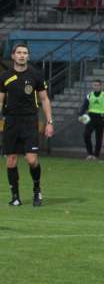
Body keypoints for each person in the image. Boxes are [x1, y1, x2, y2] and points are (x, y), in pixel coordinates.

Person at [1, 44, 54, 207]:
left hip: (30, 121)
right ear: (13, 56)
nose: (22, 55)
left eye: (25, 53)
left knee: (31, 160)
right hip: (10, 121)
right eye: (19, 53)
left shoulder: (36, 75)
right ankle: (15, 196)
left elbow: (44, 99)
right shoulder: (4, 76)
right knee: (10, 160)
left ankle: (37, 190)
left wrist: (49, 122)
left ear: (28, 56)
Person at [79, 80, 104, 160]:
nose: (96, 86)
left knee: (99, 137)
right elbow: (84, 106)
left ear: (100, 86)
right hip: (91, 117)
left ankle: (96, 155)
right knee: (86, 135)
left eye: (98, 85)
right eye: (94, 85)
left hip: (101, 118)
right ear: (92, 86)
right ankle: (90, 154)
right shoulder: (89, 96)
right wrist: (80, 115)